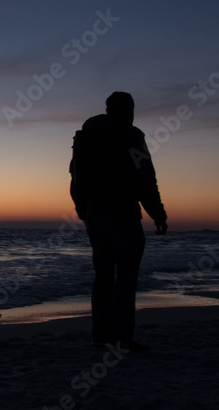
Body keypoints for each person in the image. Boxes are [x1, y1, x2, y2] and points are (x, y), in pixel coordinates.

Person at [69, 91, 167, 351]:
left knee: (102, 275)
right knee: (125, 276)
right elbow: (146, 179)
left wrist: (83, 209)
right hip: (123, 214)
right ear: (128, 110)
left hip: (95, 215)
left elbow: (74, 177)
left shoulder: (86, 138)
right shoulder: (132, 136)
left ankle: (100, 335)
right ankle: (122, 337)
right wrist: (158, 214)